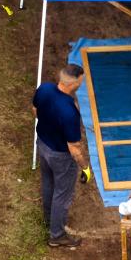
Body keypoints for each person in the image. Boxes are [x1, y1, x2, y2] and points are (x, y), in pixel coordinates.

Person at [33, 64, 91, 248]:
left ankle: (49, 218)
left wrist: (48, 123)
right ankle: (57, 235)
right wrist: (85, 167)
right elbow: (74, 147)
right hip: (60, 156)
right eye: (81, 81)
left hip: (42, 145)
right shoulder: (69, 112)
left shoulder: (44, 89)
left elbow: (35, 110)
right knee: (63, 194)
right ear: (74, 84)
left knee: (48, 182)